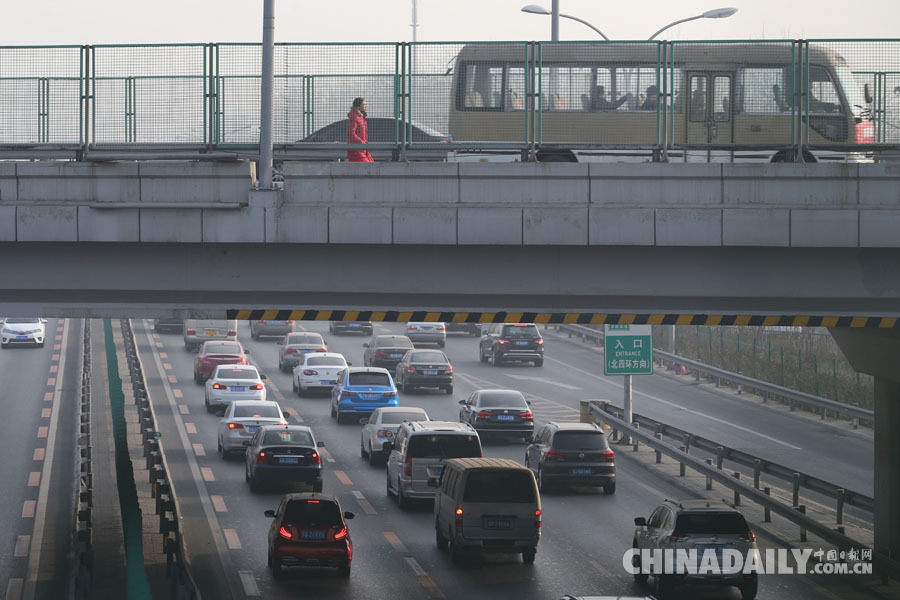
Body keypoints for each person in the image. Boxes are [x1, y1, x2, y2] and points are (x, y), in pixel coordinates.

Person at [347, 97, 374, 162]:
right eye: (363, 105)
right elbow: (351, 133)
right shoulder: (355, 117)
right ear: (358, 106)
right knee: (367, 165)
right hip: (356, 150)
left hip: (362, 148)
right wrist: (360, 141)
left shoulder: (361, 117)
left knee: (371, 163)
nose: (365, 106)